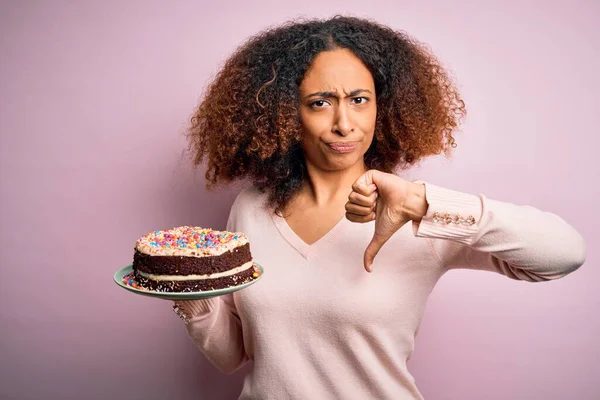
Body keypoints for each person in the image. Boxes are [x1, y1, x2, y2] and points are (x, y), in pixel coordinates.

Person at [172, 16, 586, 399]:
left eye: (359, 99)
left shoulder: (417, 214)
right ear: (286, 114)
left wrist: (421, 203)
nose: (344, 123)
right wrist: (183, 286)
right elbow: (232, 355)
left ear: (381, 106)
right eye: (319, 102)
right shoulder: (251, 209)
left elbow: (564, 254)